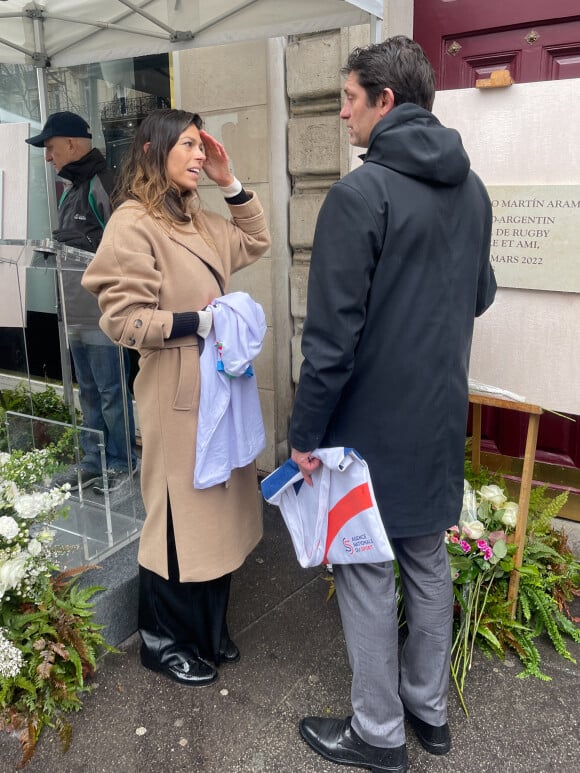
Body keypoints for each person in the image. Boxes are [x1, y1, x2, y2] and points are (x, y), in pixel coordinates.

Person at [288, 36, 497, 773]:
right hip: (439, 413)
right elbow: (479, 296)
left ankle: (378, 733)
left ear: (387, 101)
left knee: (367, 567)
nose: (341, 113)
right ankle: (427, 712)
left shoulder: (360, 193)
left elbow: (329, 339)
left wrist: (304, 431)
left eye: (350, 98)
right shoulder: (471, 191)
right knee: (427, 558)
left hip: (370, 422)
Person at [82, 109, 271, 687]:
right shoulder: (132, 223)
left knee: (219, 513)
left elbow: (256, 239)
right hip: (173, 389)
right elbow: (123, 321)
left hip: (221, 387)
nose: (197, 153)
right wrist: (201, 322)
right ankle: (162, 642)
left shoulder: (201, 219)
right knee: (176, 515)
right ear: (151, 152)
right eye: (186, 145)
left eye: (200, 145)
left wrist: (228, 180)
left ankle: (208, 629)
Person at [25, 111, 137, 493]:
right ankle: (93, 459)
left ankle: (123, 463)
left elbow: (126, 248)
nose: (47, 156)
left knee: (111, 394)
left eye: (51, 147)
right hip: (74, 314)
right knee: (89, 394)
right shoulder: (73, 188)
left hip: (103, 316)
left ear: (72, 144)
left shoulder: (103, 184)